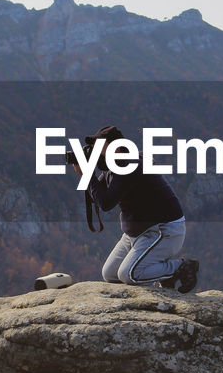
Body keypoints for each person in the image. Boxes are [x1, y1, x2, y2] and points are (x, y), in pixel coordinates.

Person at [71, 124, 200, 292]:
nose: (95, 154)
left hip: (163, 231)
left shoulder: (130, 166)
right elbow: (98, 195)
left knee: (128, 274)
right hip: (136, 233)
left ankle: (181, 267)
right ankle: (164, 275)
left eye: (98, 150)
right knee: (110, 274)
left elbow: (106, 203)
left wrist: (87, 174)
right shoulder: (113, 167)